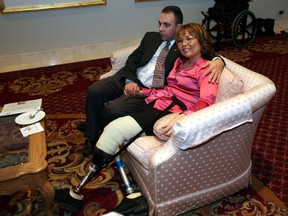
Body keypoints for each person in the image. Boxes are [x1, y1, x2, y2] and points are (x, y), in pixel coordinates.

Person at [56, 22, 219, 215]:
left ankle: (79, 192)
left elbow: (207, 101)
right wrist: (143, 92)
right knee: (115, 125)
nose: (184, 43)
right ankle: (84, 192)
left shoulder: (207, 68)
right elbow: (167, 90)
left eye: (189, 39)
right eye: (181, 40)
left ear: (201, 40)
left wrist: (183, 116)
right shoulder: (180, 62)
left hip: (171, 111)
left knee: (116, 129)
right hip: (159, 102)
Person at [78, 5, 225, 157]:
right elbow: (132, 60)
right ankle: (92, 128)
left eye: (166, 25)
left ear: (178, 27)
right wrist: (129, 81)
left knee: (114, 109)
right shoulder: (151, 38)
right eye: (159, 23)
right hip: (130, 78)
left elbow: (207, 55)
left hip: (152, 91)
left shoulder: (182, 50)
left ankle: (93, 130)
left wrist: (218, 61)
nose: (161, 28)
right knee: (95, 90)